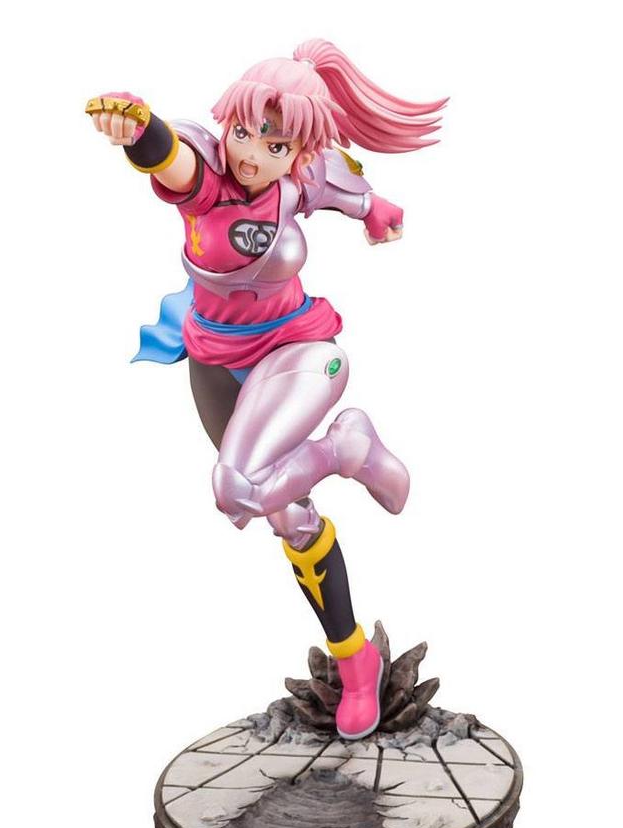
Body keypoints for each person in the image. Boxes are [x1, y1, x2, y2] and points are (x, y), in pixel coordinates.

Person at [86, 38, 445, 739]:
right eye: (245, 132)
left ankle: (345, 448)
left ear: (298, 151)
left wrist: (380, 212)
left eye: (274, 144)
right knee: (285, 515)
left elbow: (357, 194)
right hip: (217, 364)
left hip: (299, 353)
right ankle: (357, 662)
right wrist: (139, 127)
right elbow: (170, 158)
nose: (252, 154)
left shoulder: (303, 178)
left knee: (235, 488)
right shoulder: (208, 176)